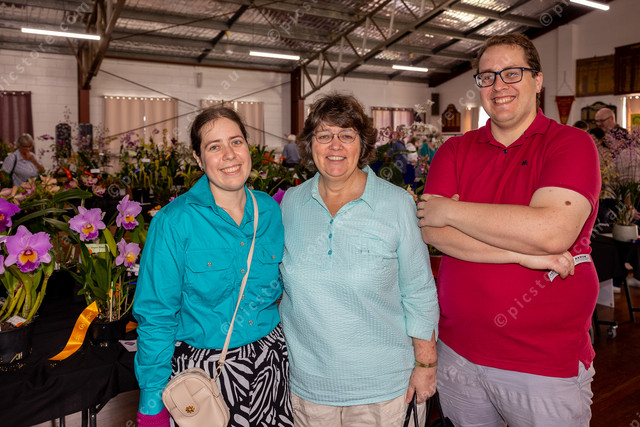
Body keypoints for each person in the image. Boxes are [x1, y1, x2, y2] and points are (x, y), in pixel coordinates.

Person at [417, 34, 600, 426]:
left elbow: (551, 233)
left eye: (512, 73)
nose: (498, 85)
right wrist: (522, 253)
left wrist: (452, 210)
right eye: (487, 76)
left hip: (542, 364)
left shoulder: (570, 144)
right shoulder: (454, 150)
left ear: (538, 80)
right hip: (459, 352)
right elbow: (433, 231)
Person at [279, 93, 439, 426]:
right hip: (309, 389)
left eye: (346, 135)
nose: (335, 145)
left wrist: (426, 365)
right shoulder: (291, 203)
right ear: (310, 144)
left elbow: (419, 292)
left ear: (362, 144)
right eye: (324, 135)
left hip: (383, 391)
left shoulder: (396, 204)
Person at [133, 107, 293, 427]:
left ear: (248, 147)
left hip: (272, 368)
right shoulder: (174, 222)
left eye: (236, 141)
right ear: (198, 158)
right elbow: (156, 315)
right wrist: (152, 401)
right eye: (214, 146)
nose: (229, 154)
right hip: (205, 377)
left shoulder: (270, 211)